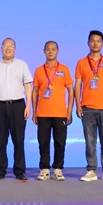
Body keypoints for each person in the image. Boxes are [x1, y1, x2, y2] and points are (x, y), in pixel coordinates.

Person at [75, 30, 103, 181]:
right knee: (90, 142)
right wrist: (78, 105)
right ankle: (91, 171)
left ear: (102, 44)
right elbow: (78, 85)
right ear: (88, 43)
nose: (95, 43)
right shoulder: (81, 63)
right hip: (87, 108)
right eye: (92, 41)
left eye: (98, 41)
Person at [0, 38, 32, 181]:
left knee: (19, 140)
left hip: (18, 105)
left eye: (11, 46)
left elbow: (28, 86)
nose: (8, 48)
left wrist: (28, 106)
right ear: (1, 48)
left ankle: (19, 171)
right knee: (1, 140)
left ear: (15, 49)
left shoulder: (22, 65)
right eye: (5, 46)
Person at [31, 41, 74, 181]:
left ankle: (58, 169)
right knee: (43, 142)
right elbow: (35, 91)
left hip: (60, 113)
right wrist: (34, 111)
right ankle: (44, 169)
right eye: (48, 49)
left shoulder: (64, 69)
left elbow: (71, 90)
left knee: (60, 143)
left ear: (58, 51)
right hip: (43, 113)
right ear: (44, 51)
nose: (50, 52)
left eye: (53, 49)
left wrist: (69, 111)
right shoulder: (39, 70)